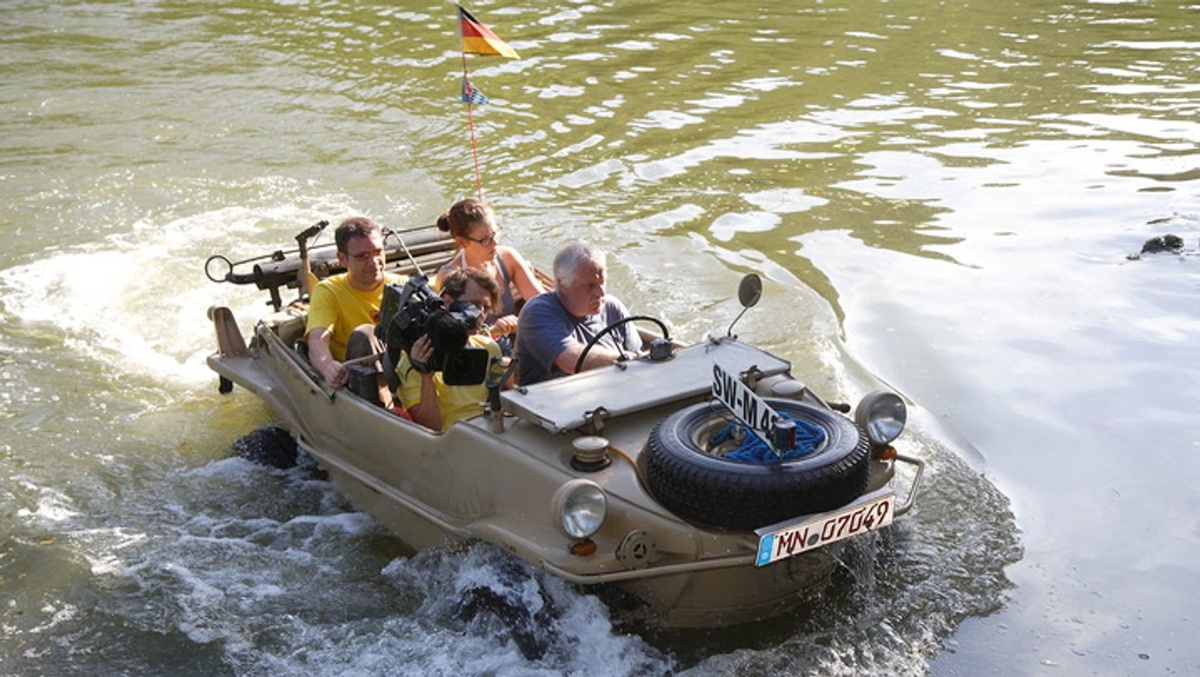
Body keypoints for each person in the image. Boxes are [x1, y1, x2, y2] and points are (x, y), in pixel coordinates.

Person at [516, 242, 645, 386]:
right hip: (551, 403)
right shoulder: (537, 312)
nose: (600, 293)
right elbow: (573, 361)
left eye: (602, 282)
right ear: (562, 283)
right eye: (589, 286)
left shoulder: (613, 308)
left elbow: (641, 366)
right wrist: (630, 359)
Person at [304, 216, 402, 406]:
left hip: (404, 372)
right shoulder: (329, 291)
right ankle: (387, 410)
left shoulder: (401, 285)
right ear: (342, 259)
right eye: (362, 256)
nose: (374, 263)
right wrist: (328, 368)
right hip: (358, 380)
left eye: (377, 252)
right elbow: (317, 340)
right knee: (366, 334)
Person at [395, 267, 504, 431]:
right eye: (474, 304)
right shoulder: (417, 357)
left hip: (491, 428)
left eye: (486, 308)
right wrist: (426, 375)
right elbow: (430, 427)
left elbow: (499, 403)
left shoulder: (489, 347)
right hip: (449, 439)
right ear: (447, 302)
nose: (480, 314)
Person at [434, 198, 544, 349]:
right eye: (485, 240)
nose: (495, 243)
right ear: (462, 242)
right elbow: (450, 334)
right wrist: (494, 329)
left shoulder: (508, 257)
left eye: (495, 233)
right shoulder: (449, 277)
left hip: (511, 345)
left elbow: (541, 301)